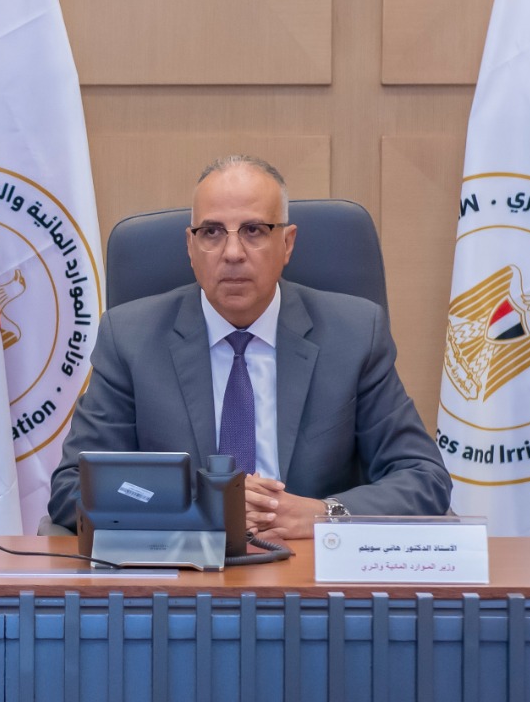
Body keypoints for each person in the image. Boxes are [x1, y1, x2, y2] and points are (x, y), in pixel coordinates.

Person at [47, 155, 450, 540]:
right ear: (190, 247)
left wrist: (325, 514)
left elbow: (423, 477)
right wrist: (197, 507)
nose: (233, 253)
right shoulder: (130, 338)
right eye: (211, 232)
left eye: (254, 230)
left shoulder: (354, 334)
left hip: (308, 568)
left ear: (287, 243)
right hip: (183, 568)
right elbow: (73, 488)